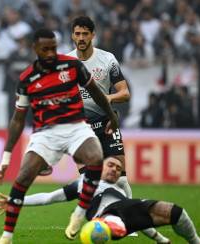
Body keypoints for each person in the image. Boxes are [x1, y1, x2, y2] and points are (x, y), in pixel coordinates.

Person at [0, 28, 119, 244]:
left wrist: (111, 115)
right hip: (45, 134)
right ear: (35, 48)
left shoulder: (72, 66)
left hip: (76, 127)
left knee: (96, 158)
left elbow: (96, 92)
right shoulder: (26, 78)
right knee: (21, 179)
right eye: (45, 49)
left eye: (53, 48)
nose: (51, 53)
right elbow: (18, 119)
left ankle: (78, 214)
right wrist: (6, 156)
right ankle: (6, 237)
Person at [0, 157, 200, 244]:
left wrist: (161, 240)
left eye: (118, 168)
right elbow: (48, 198)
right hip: (107, 213)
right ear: (100, 167)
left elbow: (141, 222)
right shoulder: (84, 183)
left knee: (174, 211)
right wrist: (16, 201)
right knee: (113, 219)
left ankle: (198, 242)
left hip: (125, 211)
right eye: (110, 165)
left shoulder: (121, 187)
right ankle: (101, 229)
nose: (114, 170)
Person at [67, 16, 132, 199]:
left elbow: (125, 93)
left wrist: (107, 98)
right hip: (81, 129)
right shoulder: (66, 63)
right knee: (91, 183)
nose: (81, 38)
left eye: (85, 34)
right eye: (77, 34)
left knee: (120, 180)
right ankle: (104, 219)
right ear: (72, 35)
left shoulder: (107, 59)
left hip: (106, 125)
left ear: (93, 35)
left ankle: (130, 221)